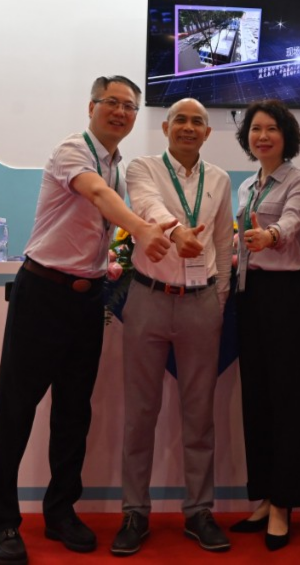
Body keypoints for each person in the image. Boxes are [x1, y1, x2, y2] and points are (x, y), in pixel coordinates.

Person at [0, 76, 174, 565]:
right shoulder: (74, 151)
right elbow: (98, 197)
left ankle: (61, 512)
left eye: (130, 107)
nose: (121, 112)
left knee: (73, 412)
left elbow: (105, 214)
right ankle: (0, 522)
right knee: (16, 410)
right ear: (92, 107)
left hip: (88, 300)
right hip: (43, 293)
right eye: (112, 102)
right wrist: (142, 229)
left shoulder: (117, 165)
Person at [110, 98, 234, 556]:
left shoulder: (219, 179)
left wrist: (219, 299)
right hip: (148, 300)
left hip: (202, 302)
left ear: (207, 133)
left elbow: (223, 242)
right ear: (165, 127)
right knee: (140, 413)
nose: (188, 127)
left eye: (197, 121)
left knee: (199, 414)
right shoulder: (142, 167)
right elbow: (147, 205)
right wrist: (175, 229)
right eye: (179, 119)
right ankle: (134, 512)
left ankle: (199, 511)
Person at [229, 100, 300, 551]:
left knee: (287, 401)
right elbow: (242, 240)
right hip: (250, 295)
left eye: (271, 129)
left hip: (287, 297)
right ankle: (264, 496)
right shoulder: (247, 186)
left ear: (287, 136)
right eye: (255, 129)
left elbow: (293, 220)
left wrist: (270, 236)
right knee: (257, 401)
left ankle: (284, 504)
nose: (262, 136)